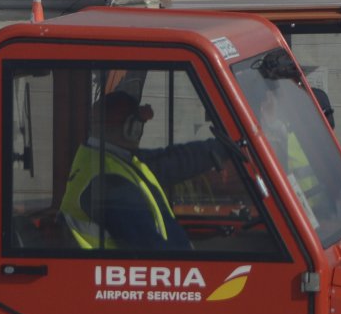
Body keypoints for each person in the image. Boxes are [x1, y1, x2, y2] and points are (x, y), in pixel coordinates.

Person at [60, 90, 223, 251]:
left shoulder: (104, 159)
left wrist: (219, 149)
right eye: (139, 125)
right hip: (120, 275)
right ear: (131, 128)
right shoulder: (111, 184)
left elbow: (171, 161)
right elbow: (152, 249)